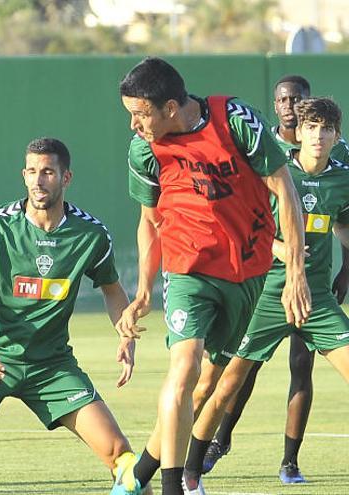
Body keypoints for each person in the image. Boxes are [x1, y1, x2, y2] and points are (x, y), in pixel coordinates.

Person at [0, 137, 147, 495]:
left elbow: (112, 291)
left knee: (123, 457)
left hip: (52, 366)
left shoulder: (90, 235)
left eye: (48, 172)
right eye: (32, 171)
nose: (38, 180)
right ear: (23, 175)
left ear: (66, 178)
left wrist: (124, 334)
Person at [116, 57, 311, 495]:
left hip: (247, 270)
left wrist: (295, 270)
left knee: (210, 386)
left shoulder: (234, 120)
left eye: (140, 113)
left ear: (170, 107)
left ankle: (137, 478)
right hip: (187, 269)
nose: (133, 125)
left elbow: (284, 187)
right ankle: (172, 489)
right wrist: (145, 290)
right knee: (183, 368)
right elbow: (149, 221)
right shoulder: (144, 149)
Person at [187, 97, 349, 488]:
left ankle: (288, 463)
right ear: (299, 132)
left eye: (326, 128)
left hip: (316, 297)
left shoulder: (343, 178)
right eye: (311, 127)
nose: (318, 135)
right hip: (266, 291)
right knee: (227, 383)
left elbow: (343, 226)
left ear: (337, 135)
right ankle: (189, 471)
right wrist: (282, 248)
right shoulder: (275, 173)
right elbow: (244, 227)